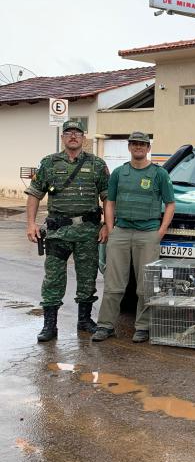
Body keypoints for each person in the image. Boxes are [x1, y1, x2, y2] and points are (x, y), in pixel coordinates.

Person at [25, 120, 109, 342]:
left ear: (83, 138)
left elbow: (107, 197)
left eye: (77, 133)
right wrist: (31, 224)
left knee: (87, 277)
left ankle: (84, 320)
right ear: (63, 137)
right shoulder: (49, 163)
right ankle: (49, 326)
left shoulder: (97, 164)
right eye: (69, 133)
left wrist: (107, 225)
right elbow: (34, 194)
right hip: (58, 233)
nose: (73, 136)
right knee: (53, 278)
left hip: (88, 232)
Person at [91, 131, 175, 343]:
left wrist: (160, 232)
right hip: (121, 232)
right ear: (129, 147)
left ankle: (143, 327)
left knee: (145, 285)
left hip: (148, 233)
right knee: (113, 283)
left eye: (142, 144)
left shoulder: (159, 174)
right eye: (134, 144)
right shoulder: (119, 173)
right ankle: (105, 325)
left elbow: (170, 204)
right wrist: (111, 228)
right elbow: (109, 202)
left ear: (148, 148)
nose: (138, 147)